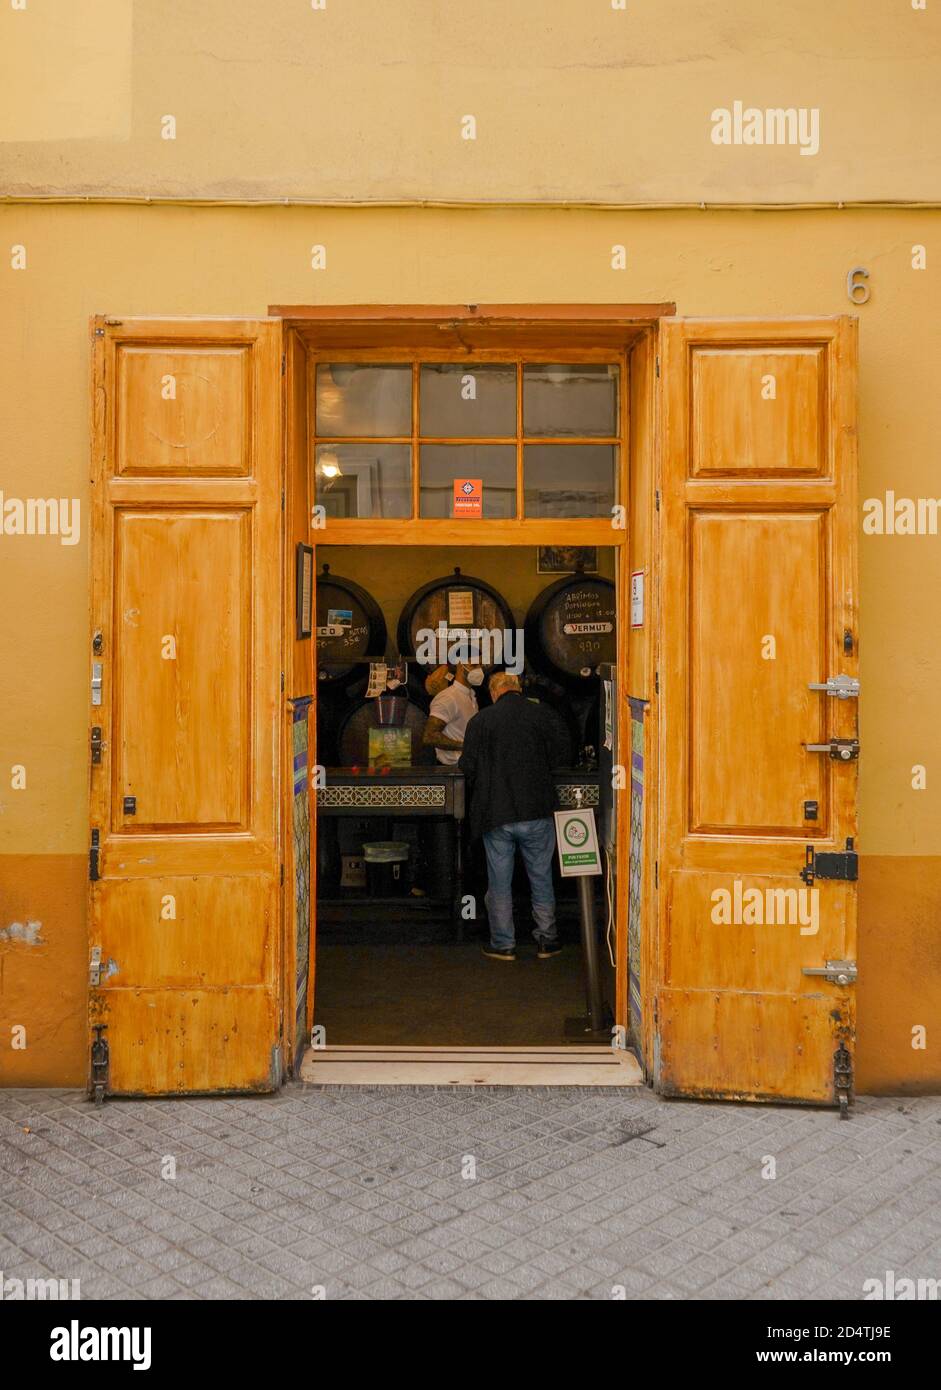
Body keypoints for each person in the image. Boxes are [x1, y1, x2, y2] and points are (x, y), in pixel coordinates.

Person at [459, 671, 569, 961]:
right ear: (517, 688)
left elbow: (466, 766)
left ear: (494, 692)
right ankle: (547, 939)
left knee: (499, 881)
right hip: (537, 810)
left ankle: (503, 943)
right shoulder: (543, 715)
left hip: (497, 813)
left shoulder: (481, 721)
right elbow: (562, 756)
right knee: (542, 876)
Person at [422, 661, 483, 763]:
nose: (479, 670)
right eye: (474, 665)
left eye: (480, 666)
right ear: (460, 666)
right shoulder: (448, 697)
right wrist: (466, 746)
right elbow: (429, 736)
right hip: (452, 771)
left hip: (468, 766)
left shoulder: (471, 697)